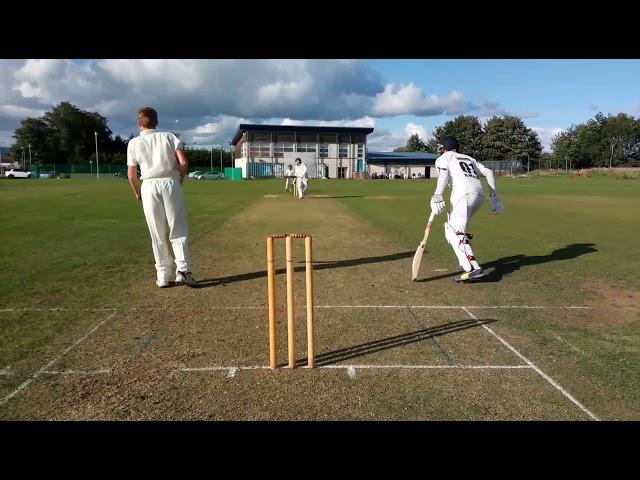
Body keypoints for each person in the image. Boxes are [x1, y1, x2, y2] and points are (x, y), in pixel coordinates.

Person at [127, 107, 196, 288]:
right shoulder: (169, 137)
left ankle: (163, 275)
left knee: (156, 232)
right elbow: (183, 162)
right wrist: (179, 180)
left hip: (148, 185)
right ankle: (183, 271)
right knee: (178, 228)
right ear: (157, 122)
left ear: (139, 123)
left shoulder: (134, 143)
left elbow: (132, 175)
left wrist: (138, 192)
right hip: (170, 183)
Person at [430, 136, 504, 282]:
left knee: (454, 231)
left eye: (441, 148)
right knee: (452, 229)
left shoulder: (444, 157)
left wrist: (437, 194)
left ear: (444, 148)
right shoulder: (468, 158)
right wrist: (493, 196)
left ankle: (473, 269)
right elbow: (488, 172)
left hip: (462, 193)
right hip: (479, 193)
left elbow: (443, 174)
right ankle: (467, 260)